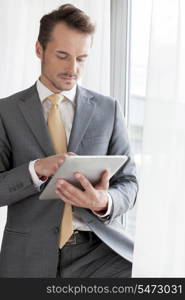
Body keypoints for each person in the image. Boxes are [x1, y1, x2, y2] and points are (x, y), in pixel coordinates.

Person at [0, 4, 138, 278]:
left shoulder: (108, 109)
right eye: (62, 55)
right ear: (39, 49)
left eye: (81, 58)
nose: (72, 68)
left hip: (101, 255)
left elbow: (130, 183)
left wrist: (103, 201)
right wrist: (36, 169)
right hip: (28, 256)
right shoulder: (6, 112)